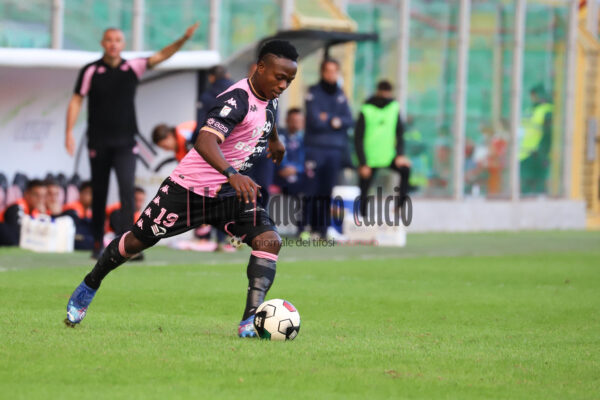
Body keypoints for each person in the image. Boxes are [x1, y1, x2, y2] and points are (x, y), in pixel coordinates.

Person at [64, 40, 298, 339]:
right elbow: (204, 141)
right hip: (189, 191)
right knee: (136, 242)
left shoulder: (270, 95)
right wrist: (231, 173)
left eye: (289, 80)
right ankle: (91, 283)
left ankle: (249, 320)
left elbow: (268, 114)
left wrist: (274, 140)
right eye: (279, 77)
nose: (283, 85)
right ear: (260, 68)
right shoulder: (236, 99)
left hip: (229, 195)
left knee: (269, 241)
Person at [65, 23, 199, 258]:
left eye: (117, 40)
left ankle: (127, 246)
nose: (113, 44)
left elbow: (160, 56)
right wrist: (68, 132)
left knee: (127, 192)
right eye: (109, 40)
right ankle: (97, 243)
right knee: (99, 192)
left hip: (126, 143)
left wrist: (183, 40)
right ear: (103, 43)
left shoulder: (132, 67)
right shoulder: (90, 70)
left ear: (123, 44)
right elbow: (76, 100)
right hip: (98, 142)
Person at [303, 58, 353, 238]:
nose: (332, 75)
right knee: (311, 189)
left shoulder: (340, 94)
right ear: (322, 72)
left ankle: (322, 229)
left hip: (334, 150)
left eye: (335, 71)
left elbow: (349, 119)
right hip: (315, 149)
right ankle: (306, 227)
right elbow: (314, 120)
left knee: (327, 190)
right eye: (328, 71)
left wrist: (329, 118)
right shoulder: (313, 92)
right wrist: (334, 120)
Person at [354, 80, 411, 217]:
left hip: (388, 156)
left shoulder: (394, 107)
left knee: (405, 170)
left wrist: (400, 154)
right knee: (364, 189)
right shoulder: (367, 109)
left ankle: (399, 206)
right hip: (370, 158)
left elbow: (400, 133)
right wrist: (363, 162)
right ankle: (362, 218)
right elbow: (358, 137)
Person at [520, 85, 553, 195]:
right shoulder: (530, 110)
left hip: (537, 155)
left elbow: (548, 135)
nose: (532, 98)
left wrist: (542, 153)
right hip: (525, 155)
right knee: (525, 189)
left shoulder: (547, 111)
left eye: (534, 95)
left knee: (537, 189)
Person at [190, 65, 234, 145]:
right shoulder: (239, 91)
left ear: (211, 78)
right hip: (239, 140)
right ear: (227, 75)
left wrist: (192, 141)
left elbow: (201, 124)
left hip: (216, 141)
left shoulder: (207, 97)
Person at [0, 179, 46, 246]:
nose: (40, 199)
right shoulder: (17, 207)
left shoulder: (37, 212)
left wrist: (43, 215)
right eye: (36, 195)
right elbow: (15, 236)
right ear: (26, 194)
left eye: (43, 196)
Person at [275, 108, 306, 195]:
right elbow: (278, 156)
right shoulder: (279, 136)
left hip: (297, 173)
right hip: (280, 174)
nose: (296, 123)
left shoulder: (302, 139)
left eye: (299, 121)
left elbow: (303, 159)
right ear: (287, 120)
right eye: (294, 120)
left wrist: (296, 169)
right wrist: (282, 168)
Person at [63, 181, 94, 250]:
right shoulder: (72, 208)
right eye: (88, 193)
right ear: (80, 194)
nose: (91, 197)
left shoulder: (89, 211)